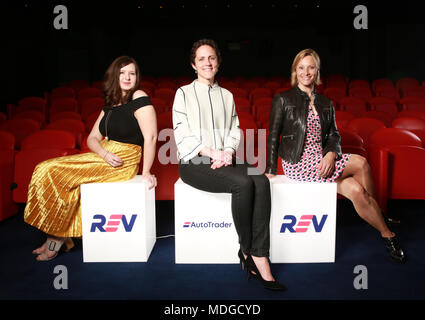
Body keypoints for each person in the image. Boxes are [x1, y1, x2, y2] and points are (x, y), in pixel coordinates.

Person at [265, 48, 405, 263]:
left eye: (311, 67)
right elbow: (274, 135)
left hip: (321, 159)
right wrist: (271, 170)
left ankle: (388, 235)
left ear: (317, 70)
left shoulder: (325, 103)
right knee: (360, 163)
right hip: (298, 162)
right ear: (295, 70)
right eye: (301, 67)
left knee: (357, 190)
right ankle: (381, 211)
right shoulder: (283, 99)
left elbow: (334, 135)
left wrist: (331, 154)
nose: (306, 72)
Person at [173, 39, 285, 291]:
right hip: (193, 160)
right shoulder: (183, 93)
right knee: (243, 183)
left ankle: (259, 251)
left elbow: (235, 130)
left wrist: (226, 152)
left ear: (218, 62)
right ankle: (248, 252)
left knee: (260, 180)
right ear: (193, 64)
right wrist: (211, 152)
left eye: (211, 58)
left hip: (223, 157)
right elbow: (182, 133)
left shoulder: (227, 95)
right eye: (201, 59)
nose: (207, 62)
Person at [25, 56, 158, 261]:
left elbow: (150, 136)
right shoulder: (111, 103)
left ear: (137, 77)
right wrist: (104, 153)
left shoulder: (139, 96)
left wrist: (146, 171)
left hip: (123, 160)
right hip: (105, 155)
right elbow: (92, 138)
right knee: (45, 168)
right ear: (115, 76)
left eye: (132, 73)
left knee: (50, 170)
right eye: (122, 72)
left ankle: (56, 240)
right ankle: (58, 236)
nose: (127, 77)